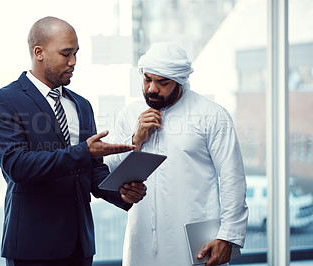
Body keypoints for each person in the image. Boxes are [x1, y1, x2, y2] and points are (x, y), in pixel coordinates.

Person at [0, 16, 147, 266]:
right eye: (66, 54)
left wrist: (121, 193)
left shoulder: (81, 105)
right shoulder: (2, 101)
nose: (73, 62)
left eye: (76, 54)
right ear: (39, 52)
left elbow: (92, 169)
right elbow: (17, 165)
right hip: (32, 246)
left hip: (79, 246)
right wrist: (84, 151)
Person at [106, 42, 249, 266]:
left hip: (197, 240)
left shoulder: (212, 115)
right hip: (141, 238)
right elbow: (111, 172)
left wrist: (227, 236)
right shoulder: (129, 115)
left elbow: (233, 178)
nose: (152, 88)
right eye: (147, 79)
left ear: (179, 80)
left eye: (162, 82)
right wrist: (136, 139)